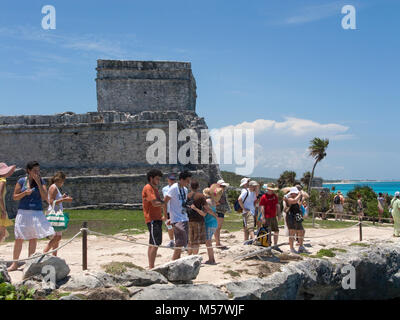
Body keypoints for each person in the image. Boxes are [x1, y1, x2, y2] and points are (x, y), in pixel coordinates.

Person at [8, 161, 55, 272]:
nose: (37, 172)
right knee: (19, 238)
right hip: (23, 212)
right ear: (29, 171)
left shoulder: (41, 181)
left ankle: (29, 263)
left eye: (38, 170)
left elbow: (44, 197)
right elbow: (15, 197)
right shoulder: (21, 181)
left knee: (33, 238)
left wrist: (38, 182)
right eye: (35, 170)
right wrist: (24, 193)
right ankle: (15, 264)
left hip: (36, 212)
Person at [164, 171, 192, 260]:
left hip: (184, 217)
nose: (188, 183)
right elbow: (164, 202)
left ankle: (177, 260)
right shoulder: (173, 188)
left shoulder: (185, 189)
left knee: (181, 243)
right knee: (179, 242)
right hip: (177, 218)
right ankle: (173, 261)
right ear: (181, 179)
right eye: (187, 181)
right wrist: (166, 217)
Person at [43, 172, 73, 256]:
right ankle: (45, 252)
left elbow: (55, 200)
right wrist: (64, 200)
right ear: (60, 180)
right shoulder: (53, 187)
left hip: (57, 213)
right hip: (55, 214)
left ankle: (54, 255)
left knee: (57, 236)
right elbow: (51, 201)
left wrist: (62, 198)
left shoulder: (55, 187)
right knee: (57, 236)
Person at [142, 169, 166, 269]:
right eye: (157, 179)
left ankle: (151, 265)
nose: (158, 181)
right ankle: (151, 267)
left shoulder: (154, 189)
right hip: (152, 219)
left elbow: (159, 201)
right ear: (151, 178)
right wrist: (166, 203)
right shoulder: (148, 188)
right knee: (155, 243)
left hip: (157, 218)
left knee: (153, 243)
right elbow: (155, 203)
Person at [259, 183, 282, 252]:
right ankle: (268, 245)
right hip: (267, 216)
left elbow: (277, 206)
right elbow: (262, 207)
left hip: (273, 216)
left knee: (276, 231)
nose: (271, 191)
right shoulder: (263, 197)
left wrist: (279, 214)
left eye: (272, 190)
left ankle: (275, 245)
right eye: (270, 190)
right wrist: (263, 217)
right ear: (267, 189)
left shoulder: (275, 196)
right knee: (267, 231)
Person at [186, 180, 206, 255]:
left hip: (189, 219)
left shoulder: (187, 196)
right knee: (196, 241)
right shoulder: (201, 196)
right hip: (199, 220)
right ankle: (194, 257)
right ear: (198, 187)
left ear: (190, 187)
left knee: (190, 240)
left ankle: (189, 255)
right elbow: (205, 208)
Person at [284, 187, 306, 254]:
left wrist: (301, 199)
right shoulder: (288, 198)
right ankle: (291, 248)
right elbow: (294, 201)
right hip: (291, 216)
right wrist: (299, 194)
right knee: (292, 232)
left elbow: (298, 205)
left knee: (301, 231)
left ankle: (301, 246)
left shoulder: (297, 198)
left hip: (297, 215)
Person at [210, 179, 229, 250]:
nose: (223, 187)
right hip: (218, 211)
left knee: (219, 227)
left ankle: (218, 242)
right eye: (222, 186)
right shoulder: (216, 192)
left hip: (221, 211)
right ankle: (217, 243)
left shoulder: (221, 192)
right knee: (217, 227)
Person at [0, 163, 16, 242]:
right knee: (2, 233)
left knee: (3, 233)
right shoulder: (2, 180)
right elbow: (0, 197)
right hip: (0, 209)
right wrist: (3, 210)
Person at [162, 174, 176, 248]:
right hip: (167, 210)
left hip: (175, 211)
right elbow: (164, 201)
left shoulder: (177, 188)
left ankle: (179, 242)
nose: (172, 181)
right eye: (170, 179)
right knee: (169, 226)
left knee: (177, 227)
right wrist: (164, 214)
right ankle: (171, 241)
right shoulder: (164, 189)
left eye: (173, 179)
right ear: (168, 179)